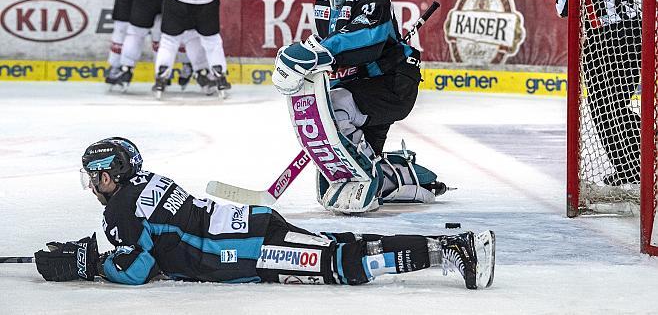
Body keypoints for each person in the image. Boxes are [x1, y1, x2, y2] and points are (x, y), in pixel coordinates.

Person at [33, 137, 496, 289]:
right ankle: (442, 249)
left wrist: (93, 266)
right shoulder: (146, 182)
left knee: (342, 262)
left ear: (112, 174)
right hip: (252, 227)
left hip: (248, 252)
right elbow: (159, 238)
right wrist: (102, 255)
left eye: (98, 176)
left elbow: (139, 268)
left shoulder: (119, 209)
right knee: (342, 249)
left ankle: (450, 250)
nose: (95, 185)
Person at [272, 0, 446, 214]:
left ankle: (367, 173)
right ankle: (403, 180)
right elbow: (332, 44)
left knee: (338, 107)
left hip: (392, 85)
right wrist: (320, 57)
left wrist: (320, 53)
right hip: (364, 85)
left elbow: (363, 41)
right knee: (344, 126)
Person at [553, 0, 640, 185]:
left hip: (606, 37)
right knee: (618, 104)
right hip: (635, 35)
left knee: (606, 107)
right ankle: (632, 167)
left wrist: (561, 5)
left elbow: (565, 1)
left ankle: (637, 166)